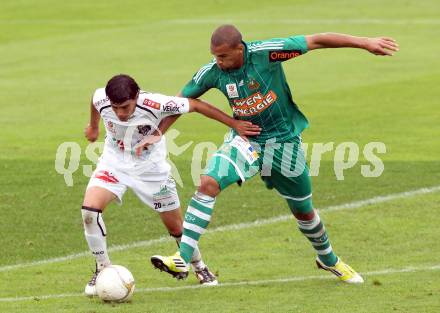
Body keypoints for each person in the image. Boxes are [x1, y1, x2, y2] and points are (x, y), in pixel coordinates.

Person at [150, 25, 399, 284]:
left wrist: (365, 42)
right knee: (209, 182)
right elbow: (178, 102)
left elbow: (316, 40)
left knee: (303, 210)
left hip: (284, 143)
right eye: (215, 56)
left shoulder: (268, 53)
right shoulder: (212, 73)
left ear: (240, 48)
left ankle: (328, 259)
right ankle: (182, 257)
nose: (218, 61)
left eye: (223, 56)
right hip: (247, 140)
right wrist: (157, 133)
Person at [82, 74, 261, 296]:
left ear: (136, 97)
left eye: (125, 107)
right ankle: (102, 269)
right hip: (114, 163)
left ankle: (199, 267)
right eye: (115, 107)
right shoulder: (102, 98)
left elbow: (195, 105)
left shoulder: (155, 103)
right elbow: (94, 98)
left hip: (152, 170)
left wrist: (234, 123)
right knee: (90, 212)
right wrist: (93, 127)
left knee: (176, 228)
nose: (120, 113)